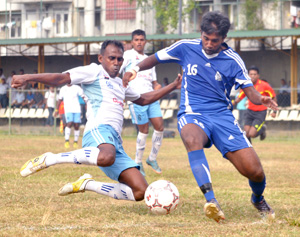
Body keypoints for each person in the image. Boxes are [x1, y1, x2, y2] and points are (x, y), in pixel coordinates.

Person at [122, 11, 278, 222]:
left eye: (215, 40)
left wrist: (262, 99)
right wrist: (134, 69)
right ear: (201, 33)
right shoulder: (186, 47)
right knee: (192, 138)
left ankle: (257, 198)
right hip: (192, 112)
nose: (209, 43)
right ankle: (211, 201)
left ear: (223, 39)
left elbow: (250, 92)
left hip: (222, 117)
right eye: (206, 38)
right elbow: (155, 58)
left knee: (255, 171)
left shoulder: (233, 60)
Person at [12, 40, 181, 204]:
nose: (116, 63)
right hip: (98, 130)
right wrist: (28, 77)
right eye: (111, 58)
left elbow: (144, 99)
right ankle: (51, 159)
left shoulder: (121, 83)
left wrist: (173, 85)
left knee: (140, 191)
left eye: (119, 59)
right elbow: (61, 78)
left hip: (114, 141)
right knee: (107, 156)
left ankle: (87, 184)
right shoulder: (94, 72)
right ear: (101, 59)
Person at [120, 29, 164, 176]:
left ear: (145, 41)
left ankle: (152, 158)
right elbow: (119, 72)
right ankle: (138, 161)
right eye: (136, 40)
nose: (139, 42)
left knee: (159, 126)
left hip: (151, 96)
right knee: (144, 130)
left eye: (141, 39)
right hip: (136, 98)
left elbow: (155, 82)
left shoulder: (149, 60)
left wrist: (159, 88)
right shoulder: (128, 55)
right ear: (132, 42)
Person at [233, 66, 277, 142]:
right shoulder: (247, 86)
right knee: (246, 133)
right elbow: (240, 97)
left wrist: (274, 111)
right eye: (251, 74)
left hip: (260, 113)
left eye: (255, 74)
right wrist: (231, 104)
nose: (253, 76)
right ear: (248, 75)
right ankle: (249, 150)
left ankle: (262, 129)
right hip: (249, 111)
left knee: (252, 134)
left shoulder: (264, 85)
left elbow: (273, 97)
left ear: (258, 75)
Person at [54, 84, 87, 148]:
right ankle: (66, 140)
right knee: (69, 123)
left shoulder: (77, 88)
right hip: (68, 109)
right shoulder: (63, 88)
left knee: (76, 125)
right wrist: (56, 110)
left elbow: (83, 96)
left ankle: (75, 141)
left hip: (77, 109)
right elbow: (59, 100)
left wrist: (86, 104)